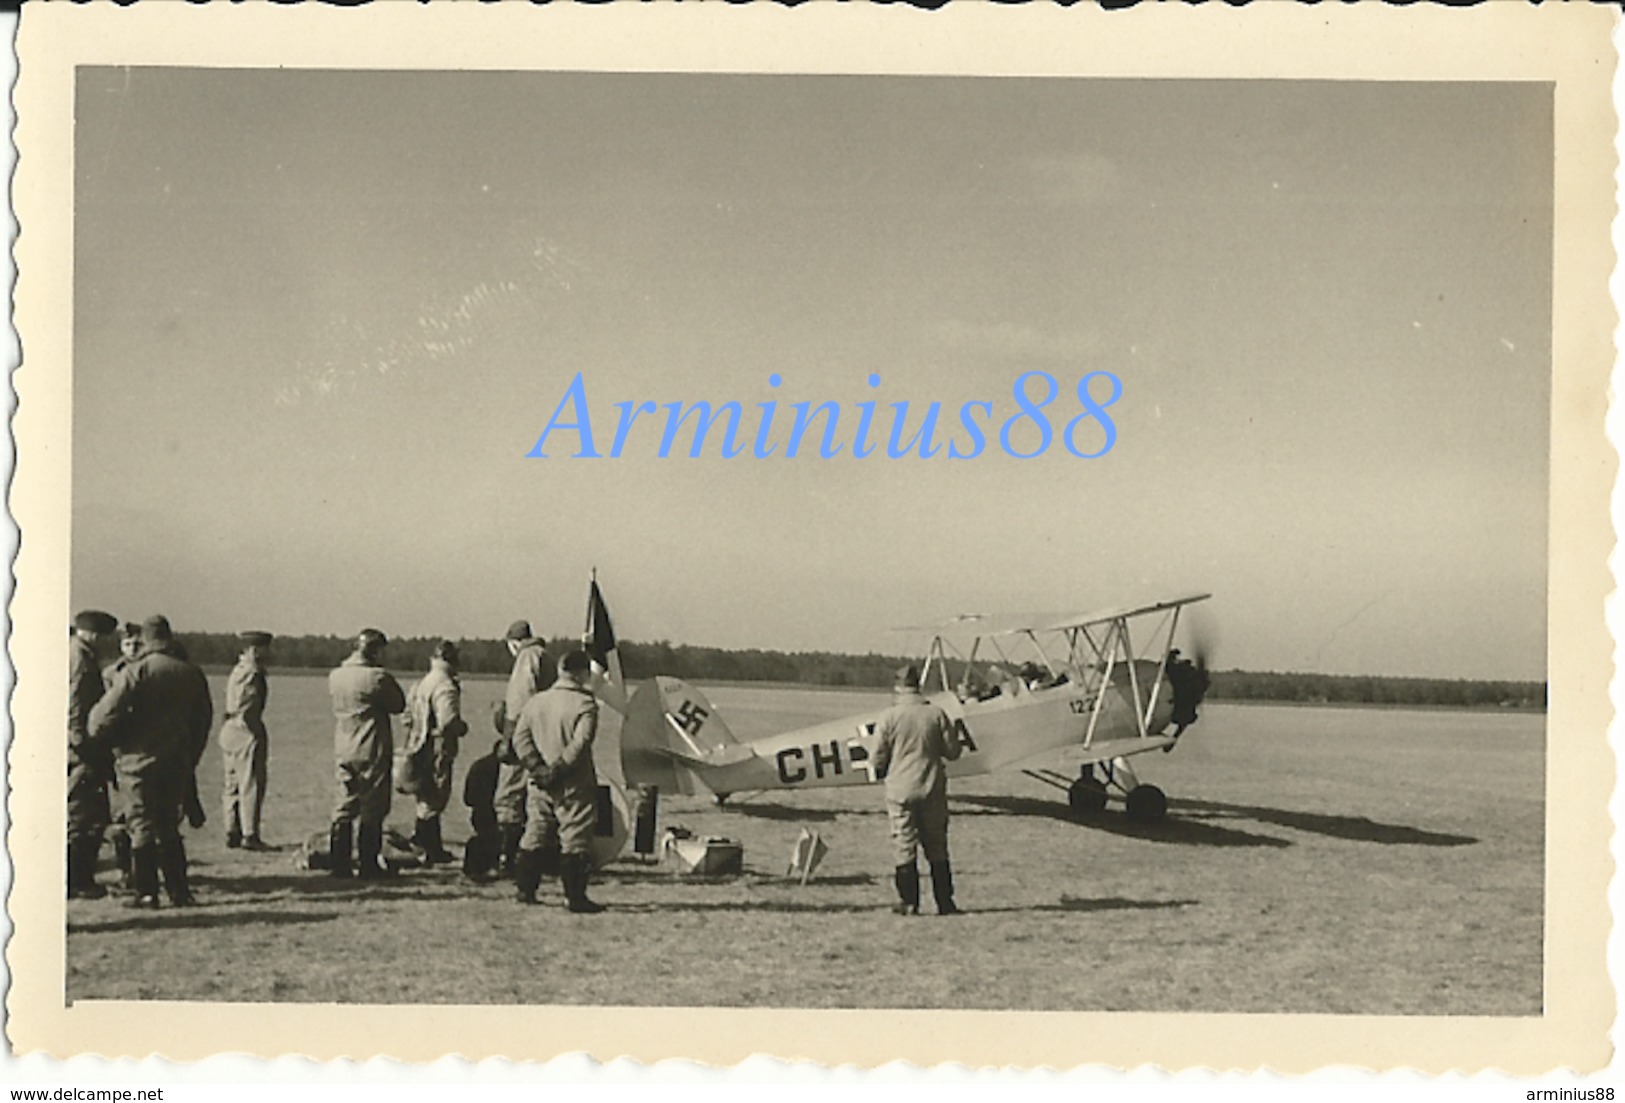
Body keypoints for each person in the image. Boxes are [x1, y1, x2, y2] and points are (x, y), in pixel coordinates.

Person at [87, 615, 214, 909]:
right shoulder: (191, 672)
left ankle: (146, 892)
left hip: (138, 762)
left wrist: (110, 741)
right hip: (176, 761)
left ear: (145, 639)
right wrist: (189, 756)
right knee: (169, 826)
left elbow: (101, 717)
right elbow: (203, 721)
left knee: (141, 825)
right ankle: (180, 891)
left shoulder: (137, 671)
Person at [511, 649, 604, 913]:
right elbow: (581, 743)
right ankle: (574, 897)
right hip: (572, 781)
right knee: (575, 838)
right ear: (582, 673)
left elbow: (520, 739)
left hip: (538, 782)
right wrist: (559, 768)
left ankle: (525, 889)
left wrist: (537, 766)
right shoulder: (585, 705)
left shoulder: (535, 702)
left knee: (535, 832)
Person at [871, 663, 963, 917]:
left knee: (904, 845)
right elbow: (953, 752)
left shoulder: (888, 716)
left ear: (898, 686)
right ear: (917, 685)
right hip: (932, 787)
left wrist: (884, 770)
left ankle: (909, 902)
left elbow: (877, 757)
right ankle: (945, 902)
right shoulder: (936, 714)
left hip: (900, 789)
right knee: (937, 846)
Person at [327, 628, 406, 879]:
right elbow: (398, 704)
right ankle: (367, 864)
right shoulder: (377, 677)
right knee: (373, 808)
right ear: (375, 650)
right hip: (370, 747)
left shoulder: (336, 675)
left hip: (343, 746)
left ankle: (339, 862)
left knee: (344, 805)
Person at [67, 609, 119, 899]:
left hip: (72, 747)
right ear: (94, 634)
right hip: (81, 749)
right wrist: (80, 741)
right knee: (85, 814)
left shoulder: (71, 652)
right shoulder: (82, 659)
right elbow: (76, 702)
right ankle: (78, 879)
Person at [494, 620, 551, 877]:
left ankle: (510, 858)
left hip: (525, 739)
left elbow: (519, 703)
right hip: (546, 738)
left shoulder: (526, 658)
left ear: (513, 642)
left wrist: (508, 740)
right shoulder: (546, 657)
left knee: (509, 797)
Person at [404, 639, 468, 865]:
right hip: (438, 746)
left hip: (418, 743)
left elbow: (406, 717)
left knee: (424, 794)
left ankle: (426, 843)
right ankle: (428, 846)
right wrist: (462, 728)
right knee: (436, 794)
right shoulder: (445, 686)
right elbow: (449, 721)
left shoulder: (422, 682)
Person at [219, 631, 273, 850]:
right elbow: (247, 705)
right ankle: (250, 834)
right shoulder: (253, 673)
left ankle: (231, 830)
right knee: (250, 783)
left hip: (230, 728)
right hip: (245, 730)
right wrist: (255, 729)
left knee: (231, 784)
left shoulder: (237, 670)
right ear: (254, 649)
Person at [461, 739, 503, 881]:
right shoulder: (505, 770)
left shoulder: (479, 766)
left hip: (479, 812)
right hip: (494, 812)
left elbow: (468, 798)